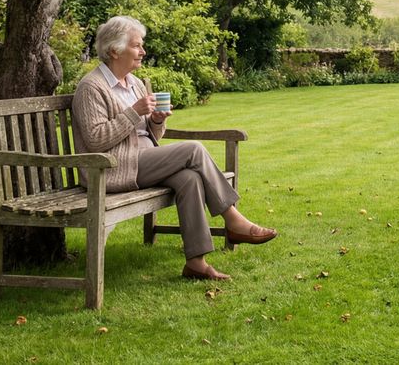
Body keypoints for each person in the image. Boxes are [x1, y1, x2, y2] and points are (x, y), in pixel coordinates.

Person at [72, 15, 277, 280]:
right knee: (193, 149)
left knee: (189, 178)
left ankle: (196, 263)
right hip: (112, 169)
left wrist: (156, 121)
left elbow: (149, 134)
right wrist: (134, 112)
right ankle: (233, 219)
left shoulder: (134, 83)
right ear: (114, 50)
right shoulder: (91, 87)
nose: (143, 51)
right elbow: (95, 140)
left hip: (143, 160)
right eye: (136, 45)